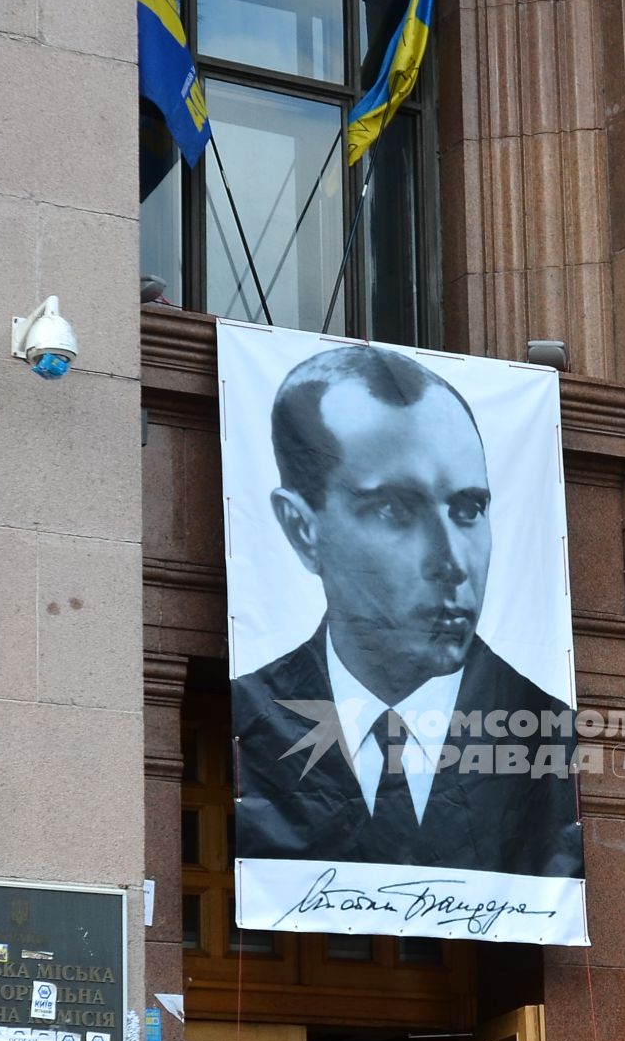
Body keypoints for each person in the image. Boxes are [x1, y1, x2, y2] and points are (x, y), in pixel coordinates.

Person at [231, 344, 582, 878]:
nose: (450, 562)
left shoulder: (546, 727)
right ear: (304, 530)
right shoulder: (249, 713)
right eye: (395, 509)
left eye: (467, 509)